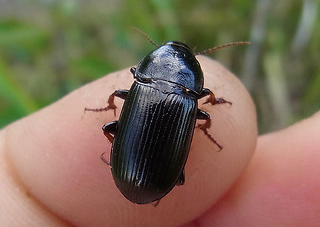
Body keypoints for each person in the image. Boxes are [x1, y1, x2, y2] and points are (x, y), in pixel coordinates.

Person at [0, 56, 319, 226]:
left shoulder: (140, 88)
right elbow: (205, 109)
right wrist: (204, 127)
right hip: (156, 177)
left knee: (109, 128)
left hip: (129, 170)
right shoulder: (192, 100)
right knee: (186, 156)